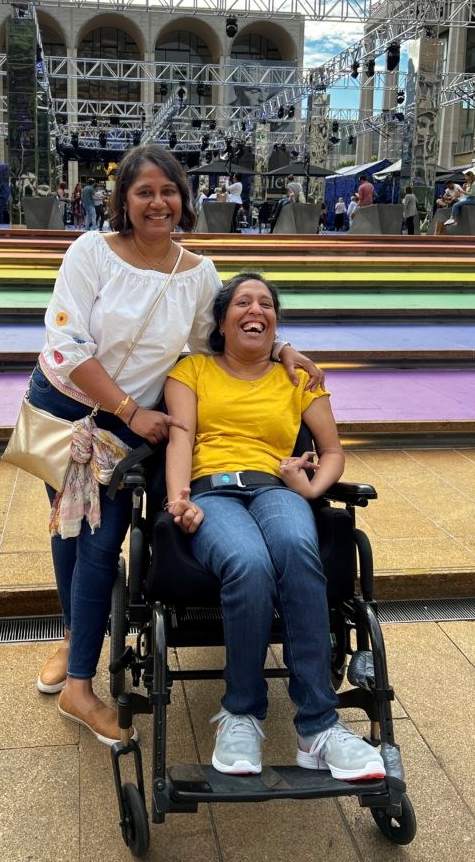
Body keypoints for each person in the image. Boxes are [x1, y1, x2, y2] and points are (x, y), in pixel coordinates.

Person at [29, 146, 324, 746]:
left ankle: (78, 679)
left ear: (184, 200)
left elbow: (213, 343)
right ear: (124, 202)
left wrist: (284, 350)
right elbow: (67, 348)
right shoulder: (90, 253)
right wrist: (131, 410)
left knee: (97, 536)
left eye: (168, 191)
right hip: (69, 408)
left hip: (130, 425)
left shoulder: (199, 272)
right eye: (144, 192)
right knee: (72, 528)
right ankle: (74, 648)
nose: (157, 202)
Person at [164, 273, 386, 781]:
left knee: (295, 545)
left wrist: (310, 490)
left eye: (266, 303)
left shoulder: (298, 377)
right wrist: (179, 500)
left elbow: (332, 452)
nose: (255, 310)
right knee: (248, 563)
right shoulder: (191, 370)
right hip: (212, 488)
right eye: (242, 302)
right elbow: (180, 440)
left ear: (275, 322)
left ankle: (319, 726)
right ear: (221, 322)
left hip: (276, 486)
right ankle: (241, 713)